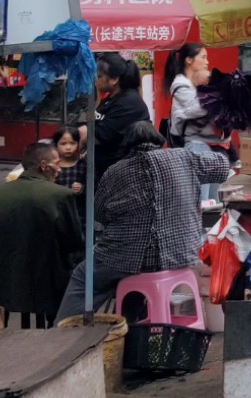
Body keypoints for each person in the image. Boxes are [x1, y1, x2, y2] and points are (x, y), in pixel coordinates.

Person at [55, 123, 230, 322]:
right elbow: (223, 167)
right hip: (181, 254)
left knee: (83, 276)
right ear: (158, 140)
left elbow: (99, 216)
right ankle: (135, 320)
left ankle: (63, 333)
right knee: (127, 278)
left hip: (125, 258)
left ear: (126, 145)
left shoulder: (115, 172)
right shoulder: (184, 158)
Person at [0, 143, 83, 326]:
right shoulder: (60, 195)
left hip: (6, 282)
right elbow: (74, 241)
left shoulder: (3, 192)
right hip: (47, 282)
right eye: (57, 164)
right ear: (44, 166)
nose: (59, 170)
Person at [79, 53, 151, 184]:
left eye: (99, 76)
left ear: (114, 79)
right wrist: (82, 119)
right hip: (104, 171)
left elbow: (101, 133)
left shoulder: (129, 102)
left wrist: (82, 132)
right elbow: (92, 116)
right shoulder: (110, 99)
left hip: (122, 176)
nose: (95, 79)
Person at [165, 44, 237, 166]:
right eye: (203, 57)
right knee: (201, 185)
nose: (207, 62)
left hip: (215, 144)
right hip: (197, 143)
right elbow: (202, 108)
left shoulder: (201, 82)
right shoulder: (181, 85)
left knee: (213, 184)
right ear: (189, 60)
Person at [51, 125, 86, 193]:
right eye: (63, 144)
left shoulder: (83, 165)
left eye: (72, 143)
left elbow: (93, 186)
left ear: (78, 143)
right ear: (56, 145)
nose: (68, 147)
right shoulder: (52, 165)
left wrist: (82, 188)